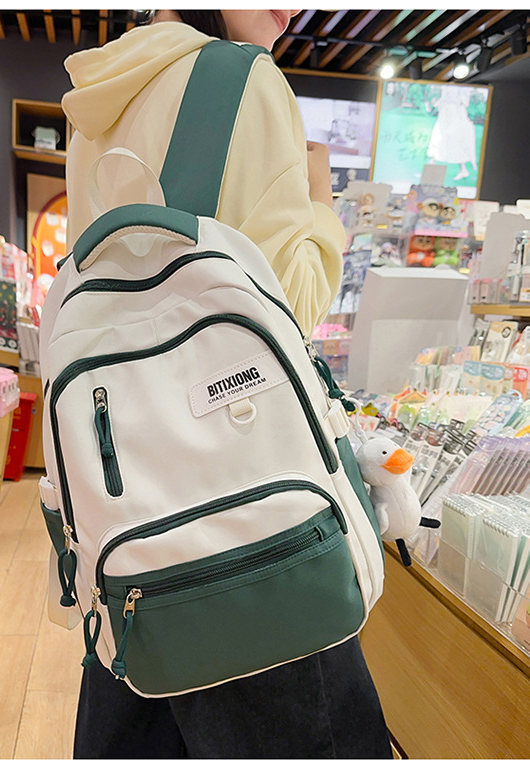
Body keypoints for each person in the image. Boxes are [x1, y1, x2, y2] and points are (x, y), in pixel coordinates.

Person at [59, 9, 392, 759]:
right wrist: (320, 203)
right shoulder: (243, 80)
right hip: (246, 509)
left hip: (127, 516)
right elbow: (287, 309)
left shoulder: (98, 98)